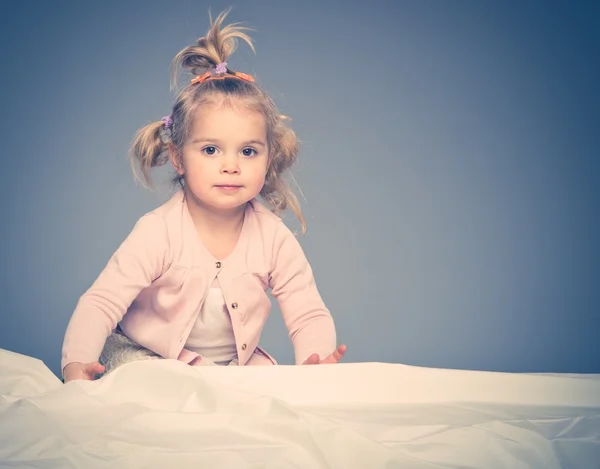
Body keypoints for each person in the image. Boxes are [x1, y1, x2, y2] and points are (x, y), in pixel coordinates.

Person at [61, 9, 346, 383]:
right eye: (211, 150)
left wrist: (316, 361)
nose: (231, 165)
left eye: (248, 151)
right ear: (179, 157)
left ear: (269, 157)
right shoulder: (158, 231)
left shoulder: (273, 237)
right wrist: (76, 364)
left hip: (228, 368)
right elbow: (101, 302)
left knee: (272, 390)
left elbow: (307, 312)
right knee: (147, 382)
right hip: (145, 355)